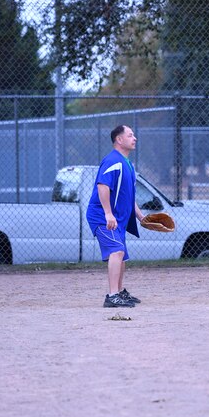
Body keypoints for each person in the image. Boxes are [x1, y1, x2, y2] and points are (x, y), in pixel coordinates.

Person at [86, 125, 146, 308]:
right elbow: (102, 186)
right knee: (116, 251)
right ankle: (112, 296)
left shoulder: (127, 164)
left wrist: (141, 217)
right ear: (119, 140)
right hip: (102, 216)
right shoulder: (113, 160)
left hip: (116, 219)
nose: (134, 138)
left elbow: (129, 197)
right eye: (130, 135)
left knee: (122, 256)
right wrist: (108, 213)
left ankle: (119, 292)